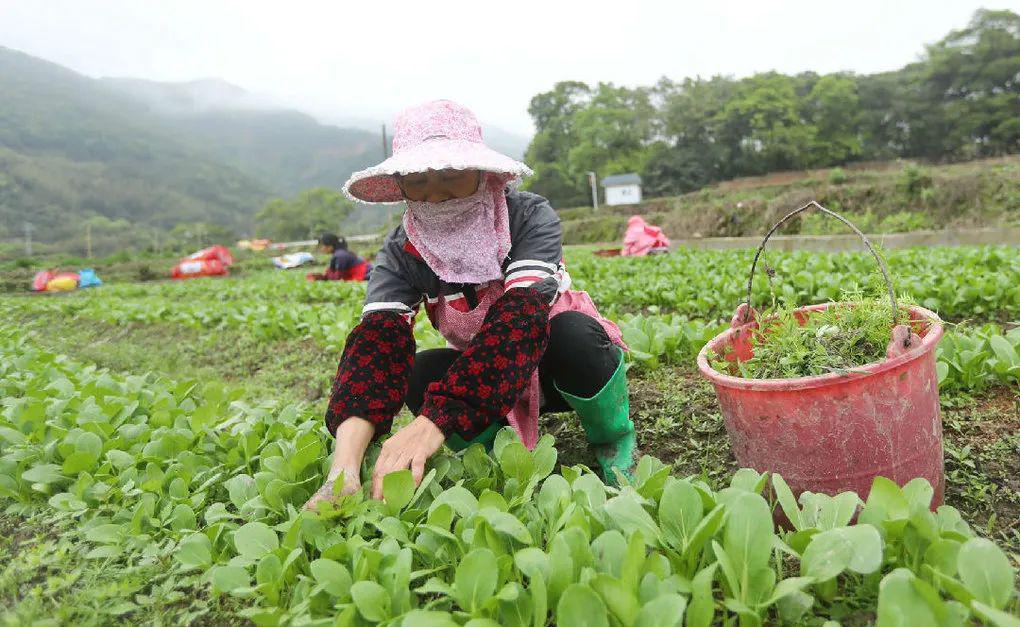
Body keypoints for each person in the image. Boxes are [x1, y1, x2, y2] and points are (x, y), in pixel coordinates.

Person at [305, 100, 636, 508]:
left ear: (482, 174)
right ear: (400, 185)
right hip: (487, 383)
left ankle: (613, 439)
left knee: (575, 335)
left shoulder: (528, 216)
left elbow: (521, 318)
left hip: (556, 365)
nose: (435, 195)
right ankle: (500, 452)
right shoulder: (401, 252)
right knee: (421, 372)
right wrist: (344, 468)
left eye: (450, 175)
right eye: (418, 181)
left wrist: (435, 422)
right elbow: (375, 349)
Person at [307, 233, 372, 281]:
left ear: (329, 245)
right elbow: (333, 275)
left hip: (369, 274)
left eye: (322, 245)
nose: (321, 248)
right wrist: (319, 277)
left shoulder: (340, 255)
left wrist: (320, 277)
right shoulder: (338, 254)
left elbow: (339, 278)